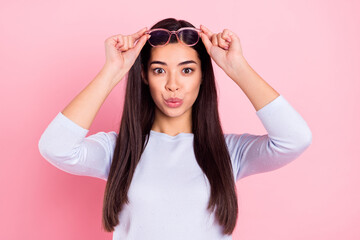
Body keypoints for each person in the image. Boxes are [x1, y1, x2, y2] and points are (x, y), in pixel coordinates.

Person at [38, 17, 312, 240]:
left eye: (187, 70)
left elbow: (295, 139)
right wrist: (113, 70)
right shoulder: (119, 150)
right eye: (159, 70)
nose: (173, 85)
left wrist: (236, 67)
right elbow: (55, 147)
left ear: (203, 75)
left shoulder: (229, 152)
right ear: (144, 75)